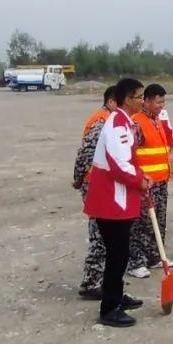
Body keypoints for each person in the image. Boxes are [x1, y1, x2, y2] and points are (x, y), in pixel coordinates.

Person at [83, 78, 150, 327]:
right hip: (111, 201)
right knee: (117, 255)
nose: (142, 101)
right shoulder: (117, 125)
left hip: (120, 198)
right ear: (126, 99)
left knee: (120, 253)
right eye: (139, 97)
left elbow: (130, 159)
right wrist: (139, 181)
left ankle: (117, 295)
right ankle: (109, 308)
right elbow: (119, 166)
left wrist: (143, 176)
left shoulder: (126, 122)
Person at [72, 85, 118, 299]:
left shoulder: (109, 120)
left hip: (101, 183)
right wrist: (79, 178)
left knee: (104, 234)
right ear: (111, 102)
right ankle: (91, 283)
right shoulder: (101, 122)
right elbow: (85, 154)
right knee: (99, 234)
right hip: (94, 183)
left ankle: (100, 278)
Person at [127, 83, 173, 278]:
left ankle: (155, 256)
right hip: (144, 183)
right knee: (141, 223)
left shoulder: (158, 120)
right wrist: (138, 177)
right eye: (158, 102)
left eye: (163, 101)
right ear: (146, 101)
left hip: (161, 181)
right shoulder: (136, 123)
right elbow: (129, 153)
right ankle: (136, 262)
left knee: (159, 221)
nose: (161, 105)